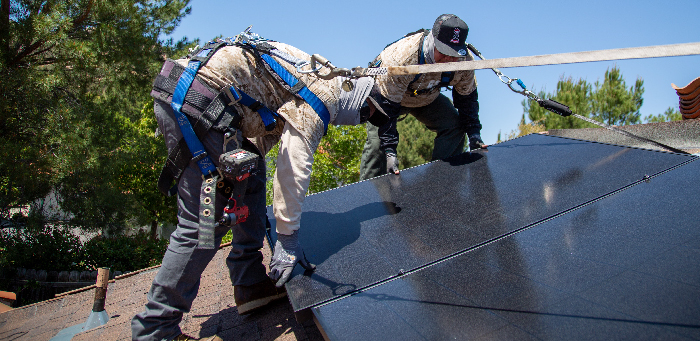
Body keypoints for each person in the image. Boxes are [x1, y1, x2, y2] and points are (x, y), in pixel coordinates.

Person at [131, 31, 388, 341]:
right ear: (356, 102)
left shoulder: (312, 76)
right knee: (203, 222)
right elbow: (292, 170)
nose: (364, 120)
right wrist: (288, 241)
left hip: (194, 95)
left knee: (249, 171)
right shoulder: (322, 100)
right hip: (197, 103)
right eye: (367, 114)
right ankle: (156, 329)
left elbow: (263, 131)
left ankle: (249, 282)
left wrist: (237, 178)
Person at [359, 14, 487, 180]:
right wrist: (390, 151)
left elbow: (467, 98)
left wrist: (474, 134)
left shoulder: (463, 62)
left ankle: (440, 182)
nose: (449, 59)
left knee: (454, 125)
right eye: (444, 52)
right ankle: (368, 192)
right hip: (386, 98)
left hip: (426, 96)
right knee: (379, 146)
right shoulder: (401, 56)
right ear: (433, 41)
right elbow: (387, 107)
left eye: (454, 53)